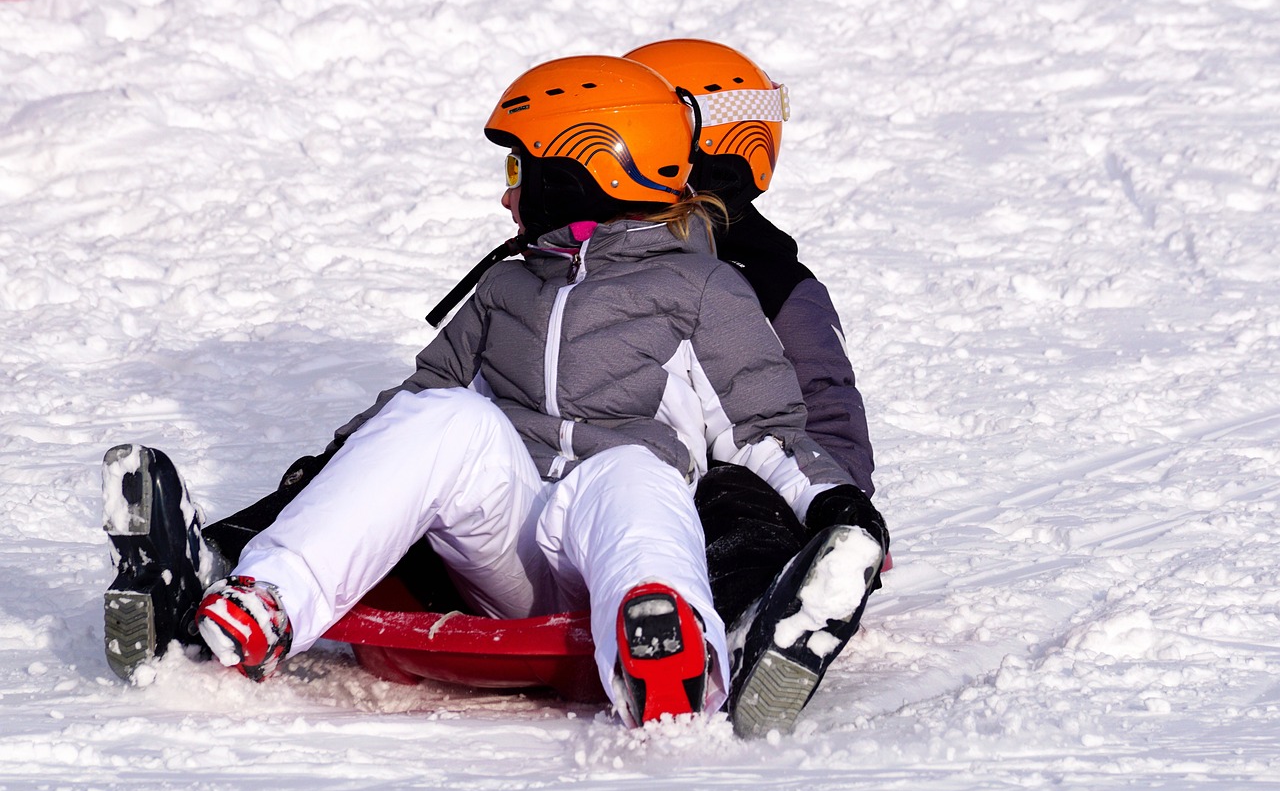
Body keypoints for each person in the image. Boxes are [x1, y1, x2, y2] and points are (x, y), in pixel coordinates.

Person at [102, 55, 883, 732]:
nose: (507, 197)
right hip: (503, 544)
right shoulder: (503, 289)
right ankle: (267, 600)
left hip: (614, 535)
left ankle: (666, 646)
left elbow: (766, 432)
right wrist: (328, 471)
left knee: (636, 469)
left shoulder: (704, 289)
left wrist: (837, 506)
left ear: (583, 165)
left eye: (520, 171)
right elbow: (416, 411)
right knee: (447, 415)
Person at [623, 40, 888, 734]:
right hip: (610, 474)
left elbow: (825, 415)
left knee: (728, 505)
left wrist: (834, 504)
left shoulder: (771, 280)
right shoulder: (594, 256)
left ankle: (762, 618)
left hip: (738, 485)